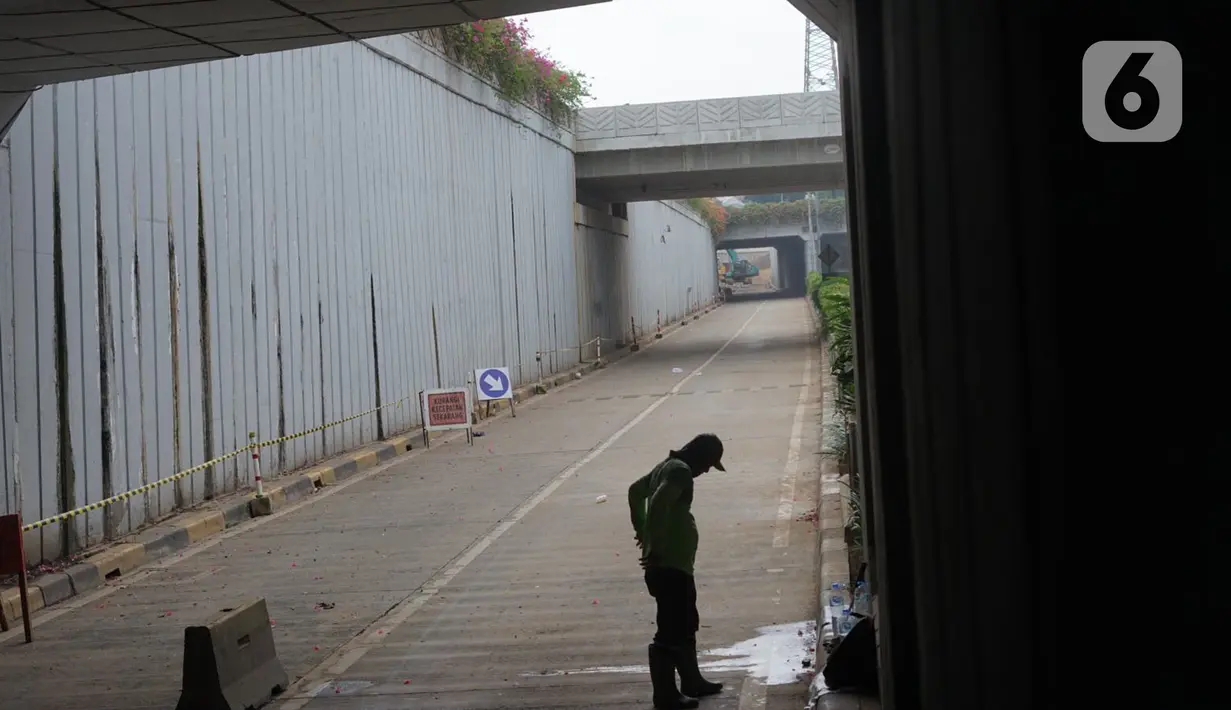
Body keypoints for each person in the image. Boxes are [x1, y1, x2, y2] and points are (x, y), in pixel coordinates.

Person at [628, 433, 727, 709]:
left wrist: (642, 529)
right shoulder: (680, 472)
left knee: (685, 621)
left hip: (676, 564)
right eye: (708, 464)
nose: (706, 471)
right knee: (670, 628)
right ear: (699, 456)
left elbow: (635, 492)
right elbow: (658, 502)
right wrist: (654, 544)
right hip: (668, 564)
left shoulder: (666, 466)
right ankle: (666, 694)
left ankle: (692, 680)